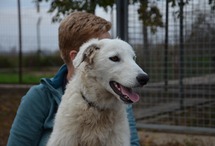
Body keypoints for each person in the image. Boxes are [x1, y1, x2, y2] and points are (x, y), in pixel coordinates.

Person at [7, 12, 140, 146]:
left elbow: (132, 143)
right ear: (79, 56)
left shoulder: (118, 96)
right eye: (113, 57)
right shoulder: (40, 97)